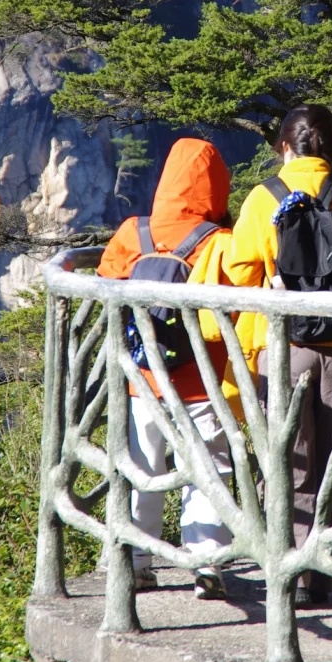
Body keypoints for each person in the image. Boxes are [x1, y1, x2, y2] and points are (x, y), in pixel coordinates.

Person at [226, 105, 332, 607]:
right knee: (331, 458)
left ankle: (290, 570)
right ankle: (321, 572)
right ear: (331, 147)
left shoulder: (263, 199)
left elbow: (238, 274)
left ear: (284, 147)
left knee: (289, 459)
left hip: (283, 344)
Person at [97, 137, 237, 600]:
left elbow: (106, 285)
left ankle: (136, 561)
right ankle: (207, 561)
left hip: (142, 378)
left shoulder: (132, 232)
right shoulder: (218, 242)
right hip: (203, 380)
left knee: (143, 466)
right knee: (208, 466)